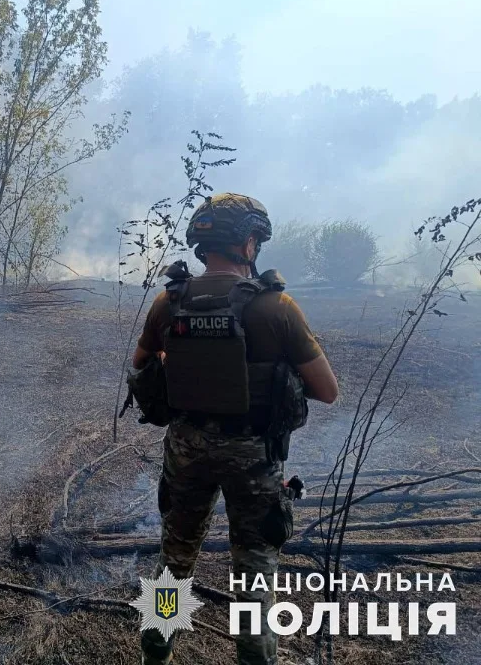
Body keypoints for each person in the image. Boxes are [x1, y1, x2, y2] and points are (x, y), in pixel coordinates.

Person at [135, 193, 338, 665]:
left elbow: (142, 364)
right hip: (253, 455)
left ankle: (155, 653)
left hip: (186, 447)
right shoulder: (277, 306)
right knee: (254, 572)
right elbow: (327, 390)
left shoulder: (169, 301)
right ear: (248, 244)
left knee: (174, 561)